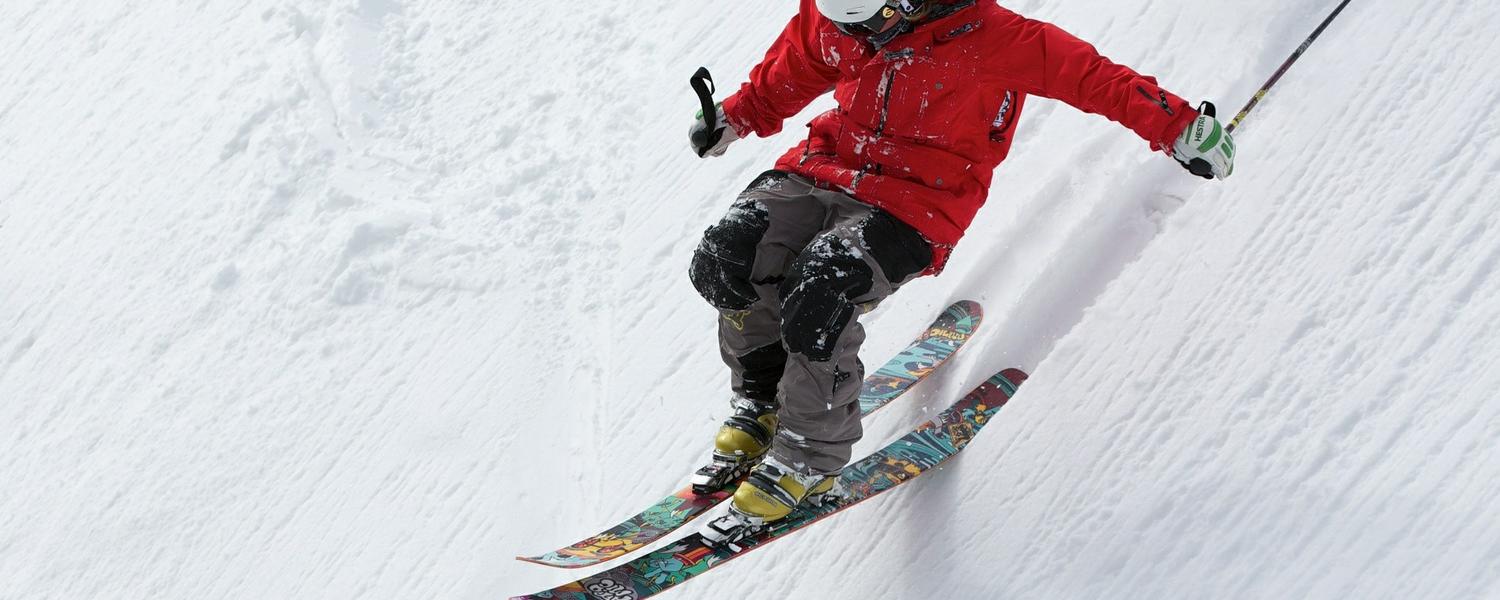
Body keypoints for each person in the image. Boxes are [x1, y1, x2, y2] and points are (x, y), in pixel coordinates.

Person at [686, 0, 1235, 545]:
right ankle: (762, 400)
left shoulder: (993, 36)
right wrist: (737, 116)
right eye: (847, 25)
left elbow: (1093, 78)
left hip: (915, 203)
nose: (861, 37)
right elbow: (800, 61)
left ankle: (809, 455)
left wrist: (1180, 126)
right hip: (826, 166)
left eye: (871, 24)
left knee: (820, 292)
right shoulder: (839, 14)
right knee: (725, 256)